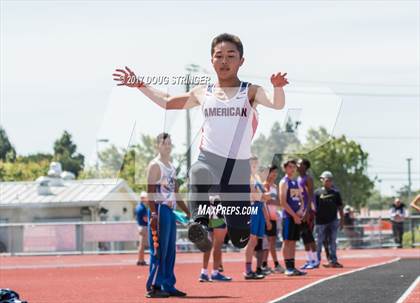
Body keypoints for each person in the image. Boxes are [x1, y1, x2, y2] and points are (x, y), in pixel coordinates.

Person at [113, 33, 288, 252]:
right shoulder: (203, 92)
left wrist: (278, 87)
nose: (224, 61)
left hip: (237, 168)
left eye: (231, 55)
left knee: (240, 238)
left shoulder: (251, 91)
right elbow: (168, 103)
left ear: (241, 61)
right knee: (197, 171)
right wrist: (140, 85)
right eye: (219, 56)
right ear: (212, 60)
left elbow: (276, 103)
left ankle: (231, 225)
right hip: (209, 159)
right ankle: (200, 226)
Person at [145, 133, 190, 298]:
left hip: (170, 211)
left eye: (170, 143)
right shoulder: (155, 166)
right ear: (157, 145)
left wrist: (187, 211)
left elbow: (176, 193)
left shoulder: (171, 166)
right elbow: (150, 193)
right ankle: (154, 286)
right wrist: (154, 214)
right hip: (159, 210)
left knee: (170, 250)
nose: (167, 146)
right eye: (164, 143)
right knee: (159, 249)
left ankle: (168, 284)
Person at [243, 156, 270, 280]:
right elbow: (256, 194)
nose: (254, 166)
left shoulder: (257, 178)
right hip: (252, 208)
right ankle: (247, 271)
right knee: (251, 240)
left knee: (255, 241)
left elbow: (263, 197)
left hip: (259, 208)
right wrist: (263, 196)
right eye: (252, 164)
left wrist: (267, 218)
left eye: (256, 164)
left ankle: (252, 269)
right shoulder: (247, 178)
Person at [279, 159, 306, 276]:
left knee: (293, 242)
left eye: (294, 167)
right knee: (287, 241)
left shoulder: (295, 182)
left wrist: (301, 210)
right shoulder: (283, 182)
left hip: (296, 217)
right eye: (290, 167)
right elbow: (283, 202)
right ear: (285, 168)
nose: (293, 169)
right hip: (288, 217)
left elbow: (300, 199)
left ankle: (293, 267)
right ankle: (288, 267)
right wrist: (294, 215)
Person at [314, 171, 344, 268]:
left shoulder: (336, 193)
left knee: (333, 242)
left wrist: (342, 220)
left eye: (330, 180)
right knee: (319, 242)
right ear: (322, 180)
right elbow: (313, 208)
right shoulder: (317, 193)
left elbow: (340, 207)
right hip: (320, 222)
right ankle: (316, 261)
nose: (328, 182)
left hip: (333, 221)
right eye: (326, 180)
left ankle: (333, 261)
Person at [199, 196, 232, 282]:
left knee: (209, 245)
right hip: (218, 217)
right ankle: (215, 273)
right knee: (217, 246)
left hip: (209, 216)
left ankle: (204, 272)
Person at [296, 158, 318, 269]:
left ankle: (315, 260)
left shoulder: (308, 178)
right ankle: (309, 260)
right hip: (302, 210)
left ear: (304, 166)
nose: (297, 165)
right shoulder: (298, 179)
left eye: (299, 163)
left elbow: (310, 196)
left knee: (309, 234)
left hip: (309, 210)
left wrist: (307, 211)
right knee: (304, 235)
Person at [263, 164, 284, 273]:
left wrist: (273, 201)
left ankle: (267, 264)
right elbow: (264, 202)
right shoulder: (264, 185)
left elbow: (280, 202)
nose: (275, 174)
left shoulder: (275, 187)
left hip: (274, 217)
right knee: (266, 242)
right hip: (266, 217)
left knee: (272, 242)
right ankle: (268, 264)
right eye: (273, 172)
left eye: (276, 172)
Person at [135, 191, 149, 266]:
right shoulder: (142, 208)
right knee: (142, 245)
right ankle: (140, 260)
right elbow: (145, 219)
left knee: (141, 245)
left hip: (140, 226)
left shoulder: (138, 207)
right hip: (143, 227)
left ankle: (140, 259)